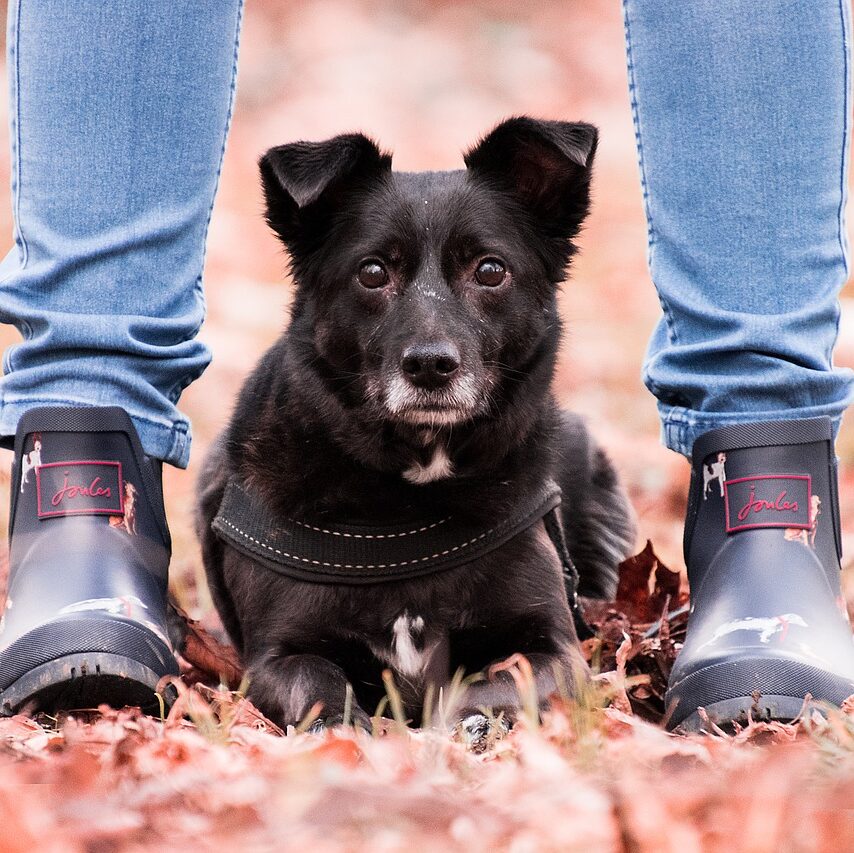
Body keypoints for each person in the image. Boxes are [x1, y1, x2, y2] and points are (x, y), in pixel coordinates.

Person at [0, 0, 852, 729]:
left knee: (573, 468)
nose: (433, 342)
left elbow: (547, 650)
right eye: (376, 274)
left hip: (501, 509)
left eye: (488, 273)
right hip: (315, 512)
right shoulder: (268, 467)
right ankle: (83, 475)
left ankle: (766, 500)